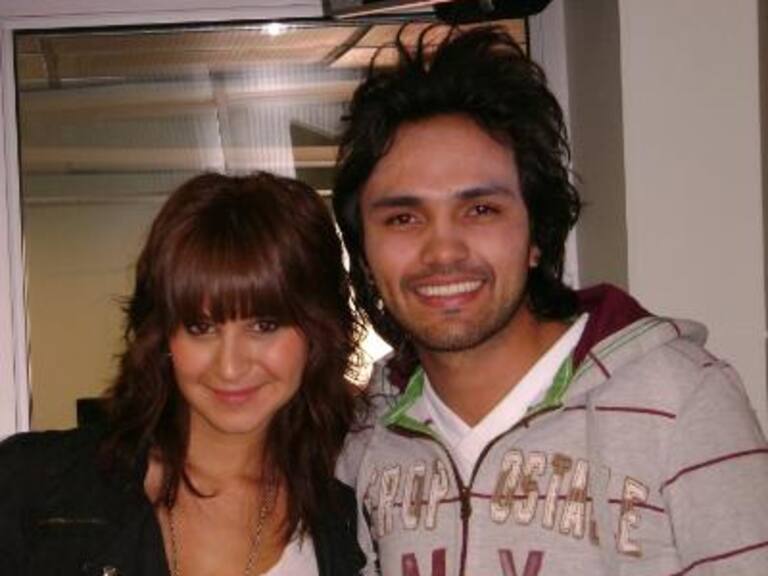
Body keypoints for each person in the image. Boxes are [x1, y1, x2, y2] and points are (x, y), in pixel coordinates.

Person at [333, 25, 768, 576]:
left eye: (481, 210)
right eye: (402, 218)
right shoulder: (369, 435)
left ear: (537, 233)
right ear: (364, 252)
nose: (442, 251)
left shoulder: (679, 400)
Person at [0, 172, 365, 576]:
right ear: (163, 337)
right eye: (200, 327)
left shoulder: (347, 522)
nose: (230, 367)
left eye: (264, 325)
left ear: (318, 330)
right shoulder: (32, 486)